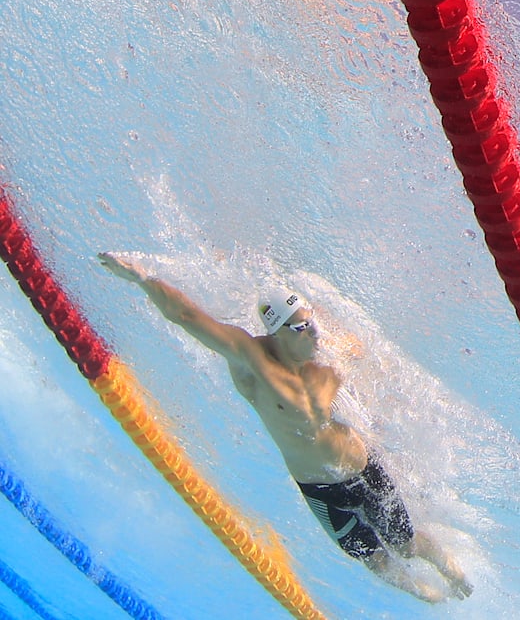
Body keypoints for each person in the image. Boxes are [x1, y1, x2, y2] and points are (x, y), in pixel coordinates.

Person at [98, 252, 470, 602]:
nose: (315, 333)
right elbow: (187, 316)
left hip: (364, 468)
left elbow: (371, 362)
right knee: (375, 560)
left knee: (408, 544)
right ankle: (429, 597)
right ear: (278, 331)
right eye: (303, 327)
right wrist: (143, 278)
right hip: (321, 490)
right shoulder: (252, 360)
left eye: (313, 323)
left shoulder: (326, 353)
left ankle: (452, 572)